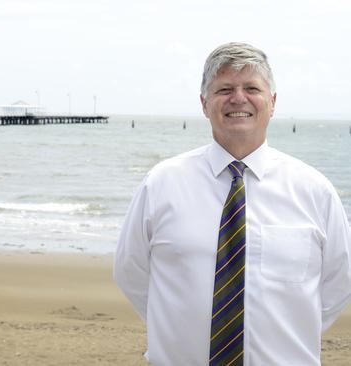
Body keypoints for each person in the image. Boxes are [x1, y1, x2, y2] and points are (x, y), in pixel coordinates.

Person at [114, 42, 351, 365]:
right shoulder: (162, 183)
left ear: (273, 102)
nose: (238, 98)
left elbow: (338, 283)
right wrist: (180, 331)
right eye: (224, 88)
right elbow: (132, 272)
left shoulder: (314, 190)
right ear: (204, 103)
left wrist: (284, 334)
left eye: (252, 87)